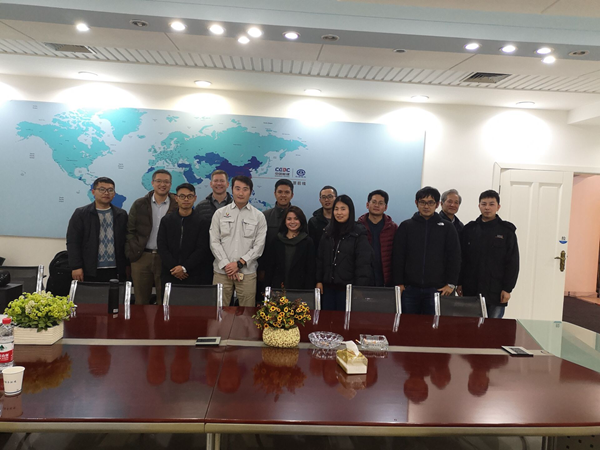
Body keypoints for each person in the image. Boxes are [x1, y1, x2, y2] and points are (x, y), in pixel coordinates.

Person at [392, 186, 461, 315]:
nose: (426, 206)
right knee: (408, 324)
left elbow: (454, 257)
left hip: (437, 289)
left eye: (430, 203)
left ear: (437, 204)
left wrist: (451, 283)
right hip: (409, 290)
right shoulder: (406, 226)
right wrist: (399, 283)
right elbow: (398, 256)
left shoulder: (447, 228)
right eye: (422, 202)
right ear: (416, 203)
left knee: (434, 325)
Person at [458, 190, 519, 319]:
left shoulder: (507, 231)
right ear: (479, 206)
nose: (487, 208)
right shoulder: (469, 230)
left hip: (496, 290)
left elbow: (512, 262)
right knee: (470, 326)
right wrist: (459, 283)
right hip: (471, 288)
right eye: (484, 204)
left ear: (498, 207)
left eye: (491, 204)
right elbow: (462, 259)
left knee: (493, 328)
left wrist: (508, 289)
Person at [210, 175, 267, 306]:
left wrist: (239, 264)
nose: (241, 193)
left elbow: (259, 246)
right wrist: (227, 265)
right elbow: (214, 242)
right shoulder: (220, 213)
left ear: (251, 192)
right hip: (222, 272)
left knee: (247, 313)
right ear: (232, 190)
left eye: (245, 189)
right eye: (237, 188)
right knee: (218, 311)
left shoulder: (259, 216)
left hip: (247, 273)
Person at [125, 169, 178, 304]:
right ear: (153, 183)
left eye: (166, 182)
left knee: (165, 301)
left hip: (166, 259)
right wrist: (133, 250)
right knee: (140, 301)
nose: (162, 184)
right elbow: (130, 230)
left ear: (170, 184)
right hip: (141, 257)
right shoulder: (139, 204)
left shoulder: (177, 204)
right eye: (159, 181)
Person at [316, 195, 373, 311]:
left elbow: (363, 264)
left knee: (345, 320)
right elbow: (320, 258)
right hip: (327, 288)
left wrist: (358, 288)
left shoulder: (358, 233)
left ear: (350, 211)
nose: (339, 213)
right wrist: (318, 280)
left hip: (348, 290)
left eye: (343, 209)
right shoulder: (327, 232)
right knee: (327, 319)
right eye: (336, 209)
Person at [67, 177, 128, 282]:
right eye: (102, 189)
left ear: (114, 193)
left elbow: (126, 242)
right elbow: (73, 242)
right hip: (89, 269)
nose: (106, 193)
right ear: (93, 192)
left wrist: (127, 265)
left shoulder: (121, 215)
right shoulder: (81, 214)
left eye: (110, 190)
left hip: (115, 269)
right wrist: (76, 266)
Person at [157, 183, 211, 286]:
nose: (186, 199)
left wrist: (184, 268)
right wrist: (174, 268)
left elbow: (202, 249)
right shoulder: (167, 220)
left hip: (193, 274)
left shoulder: (202, 222)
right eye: (182, 196)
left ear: (195, 198)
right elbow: (162, 246)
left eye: (189, 196)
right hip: (170, 273)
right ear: (176, 198)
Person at [194, 170, 233, 283]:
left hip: (229, 258)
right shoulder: (201, 207)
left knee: (225, 291)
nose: (219, 184)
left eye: (222, 181)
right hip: (205, 258)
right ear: (211, 184)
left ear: (227, 184)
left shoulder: (235, 206)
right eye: (216, 181)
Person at [264, 206, 316, 290]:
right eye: (289, 219)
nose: (292, 222)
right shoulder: (277, 240)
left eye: (296, 219)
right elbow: (270, 267)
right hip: (277, 287)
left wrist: (308, 290)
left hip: (300, 289)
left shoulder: (307, 242)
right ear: (284, 221)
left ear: (301, 221)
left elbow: (311, 269)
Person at [357, 190, 398, 287]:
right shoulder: (358, 227)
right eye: (374, 202)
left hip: (385, 279)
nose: (376, 205)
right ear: (367, 205)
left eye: (380, 203)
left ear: (385, 207)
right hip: (363, 278)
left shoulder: (393, 228)